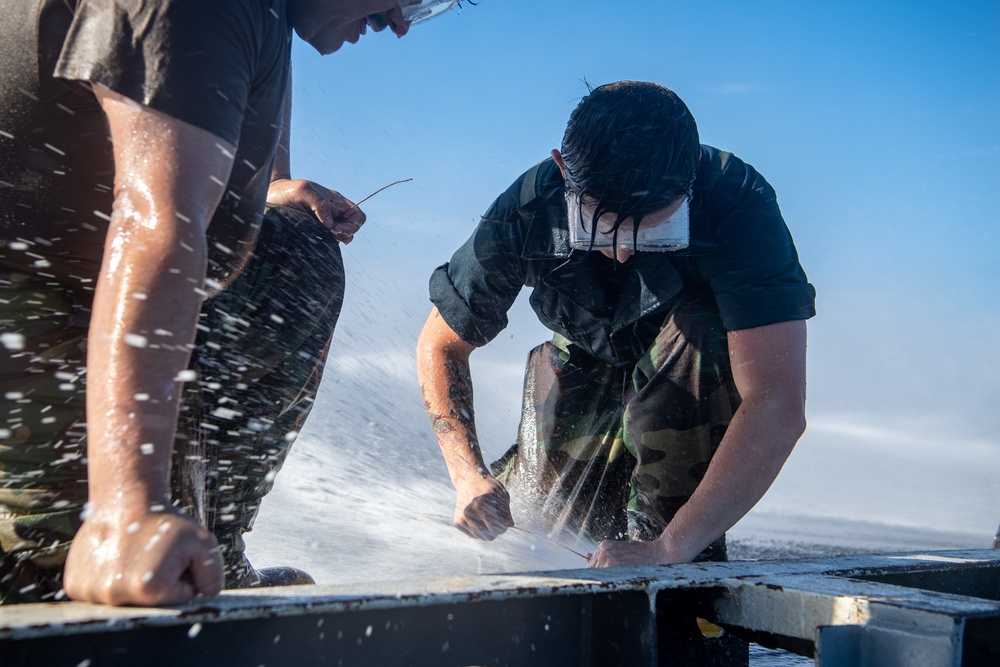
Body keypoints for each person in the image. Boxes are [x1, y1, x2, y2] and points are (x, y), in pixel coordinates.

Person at [0, 0, 464, 607]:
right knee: (58, 585)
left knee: (298, 249)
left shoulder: (266, 17)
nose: (401, 20)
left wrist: (270, 191)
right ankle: (67, 546)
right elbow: (153, 219)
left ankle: (206, 541)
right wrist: (124, 512)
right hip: (27, 293)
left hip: (79, 287)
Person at [416, 81, 815, 568]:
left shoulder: (737, 204)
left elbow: (775, 401)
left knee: (699, 335)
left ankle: (677, 577)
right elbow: (441, 345)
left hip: (687, 379)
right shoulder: (528, 207)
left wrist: (670, 548)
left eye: (655, 229)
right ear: (564, 172)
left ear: (689, 184)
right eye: (600, 226)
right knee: (542, 524)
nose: (624, 251)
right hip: (583, 365)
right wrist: (467, 476)